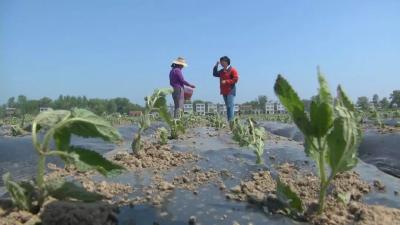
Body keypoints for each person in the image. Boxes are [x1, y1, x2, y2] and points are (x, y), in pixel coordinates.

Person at [213, 56, 239, 123]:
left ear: (226, 62)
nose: (221, 63)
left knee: (230, 106)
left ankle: (231, 122)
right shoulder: (222, 71)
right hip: (224, 91)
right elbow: (215, 74)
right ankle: (229, 121)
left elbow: (235, 79)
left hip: (230, 90)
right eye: (220, 62)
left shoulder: (232, 70)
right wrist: (216, 65)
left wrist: (226, 81)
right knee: (228, 106)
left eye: (222, 62)